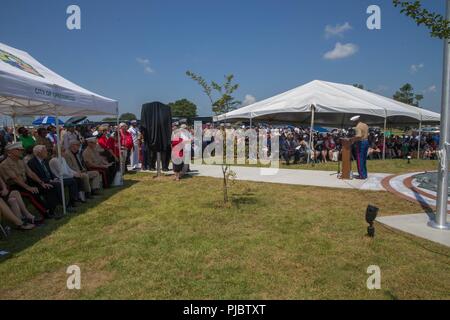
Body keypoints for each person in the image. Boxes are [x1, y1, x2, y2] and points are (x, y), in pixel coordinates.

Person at [0, 143, 59, 219]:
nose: (21, 151)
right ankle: (45, 213)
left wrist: (41, 183)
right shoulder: (4, 164)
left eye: (22, 150)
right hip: (14, 187)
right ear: (10, 152)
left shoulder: (21, 161)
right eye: (19, 150)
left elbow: (30, 173)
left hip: (24, 184)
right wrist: (28, 188)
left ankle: (51, 210)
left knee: (49, 187)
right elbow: (15, 178)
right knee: (31, 194)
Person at [28, 145, 79, 211]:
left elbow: (50, 172)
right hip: (41, 183)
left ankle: (72, 201)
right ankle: (63, 206)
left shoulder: (45, 161)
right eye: (45, 151)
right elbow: (36, 177)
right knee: (58, 185)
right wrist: (50, 180)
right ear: (39, 152)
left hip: (51, 180)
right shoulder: (32, 163)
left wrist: (54, 178)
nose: (47, 152)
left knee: (71, 181)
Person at [350, 115, 369, 179]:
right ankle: (365, 174)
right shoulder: (365, 125)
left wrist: (352, 139)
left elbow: (359, 136)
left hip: (361, 143)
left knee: (359, 159)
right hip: (366, 142)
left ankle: (361, 175)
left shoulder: (358, 127)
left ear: (355, 121)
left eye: (353, 122)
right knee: (363, 159)